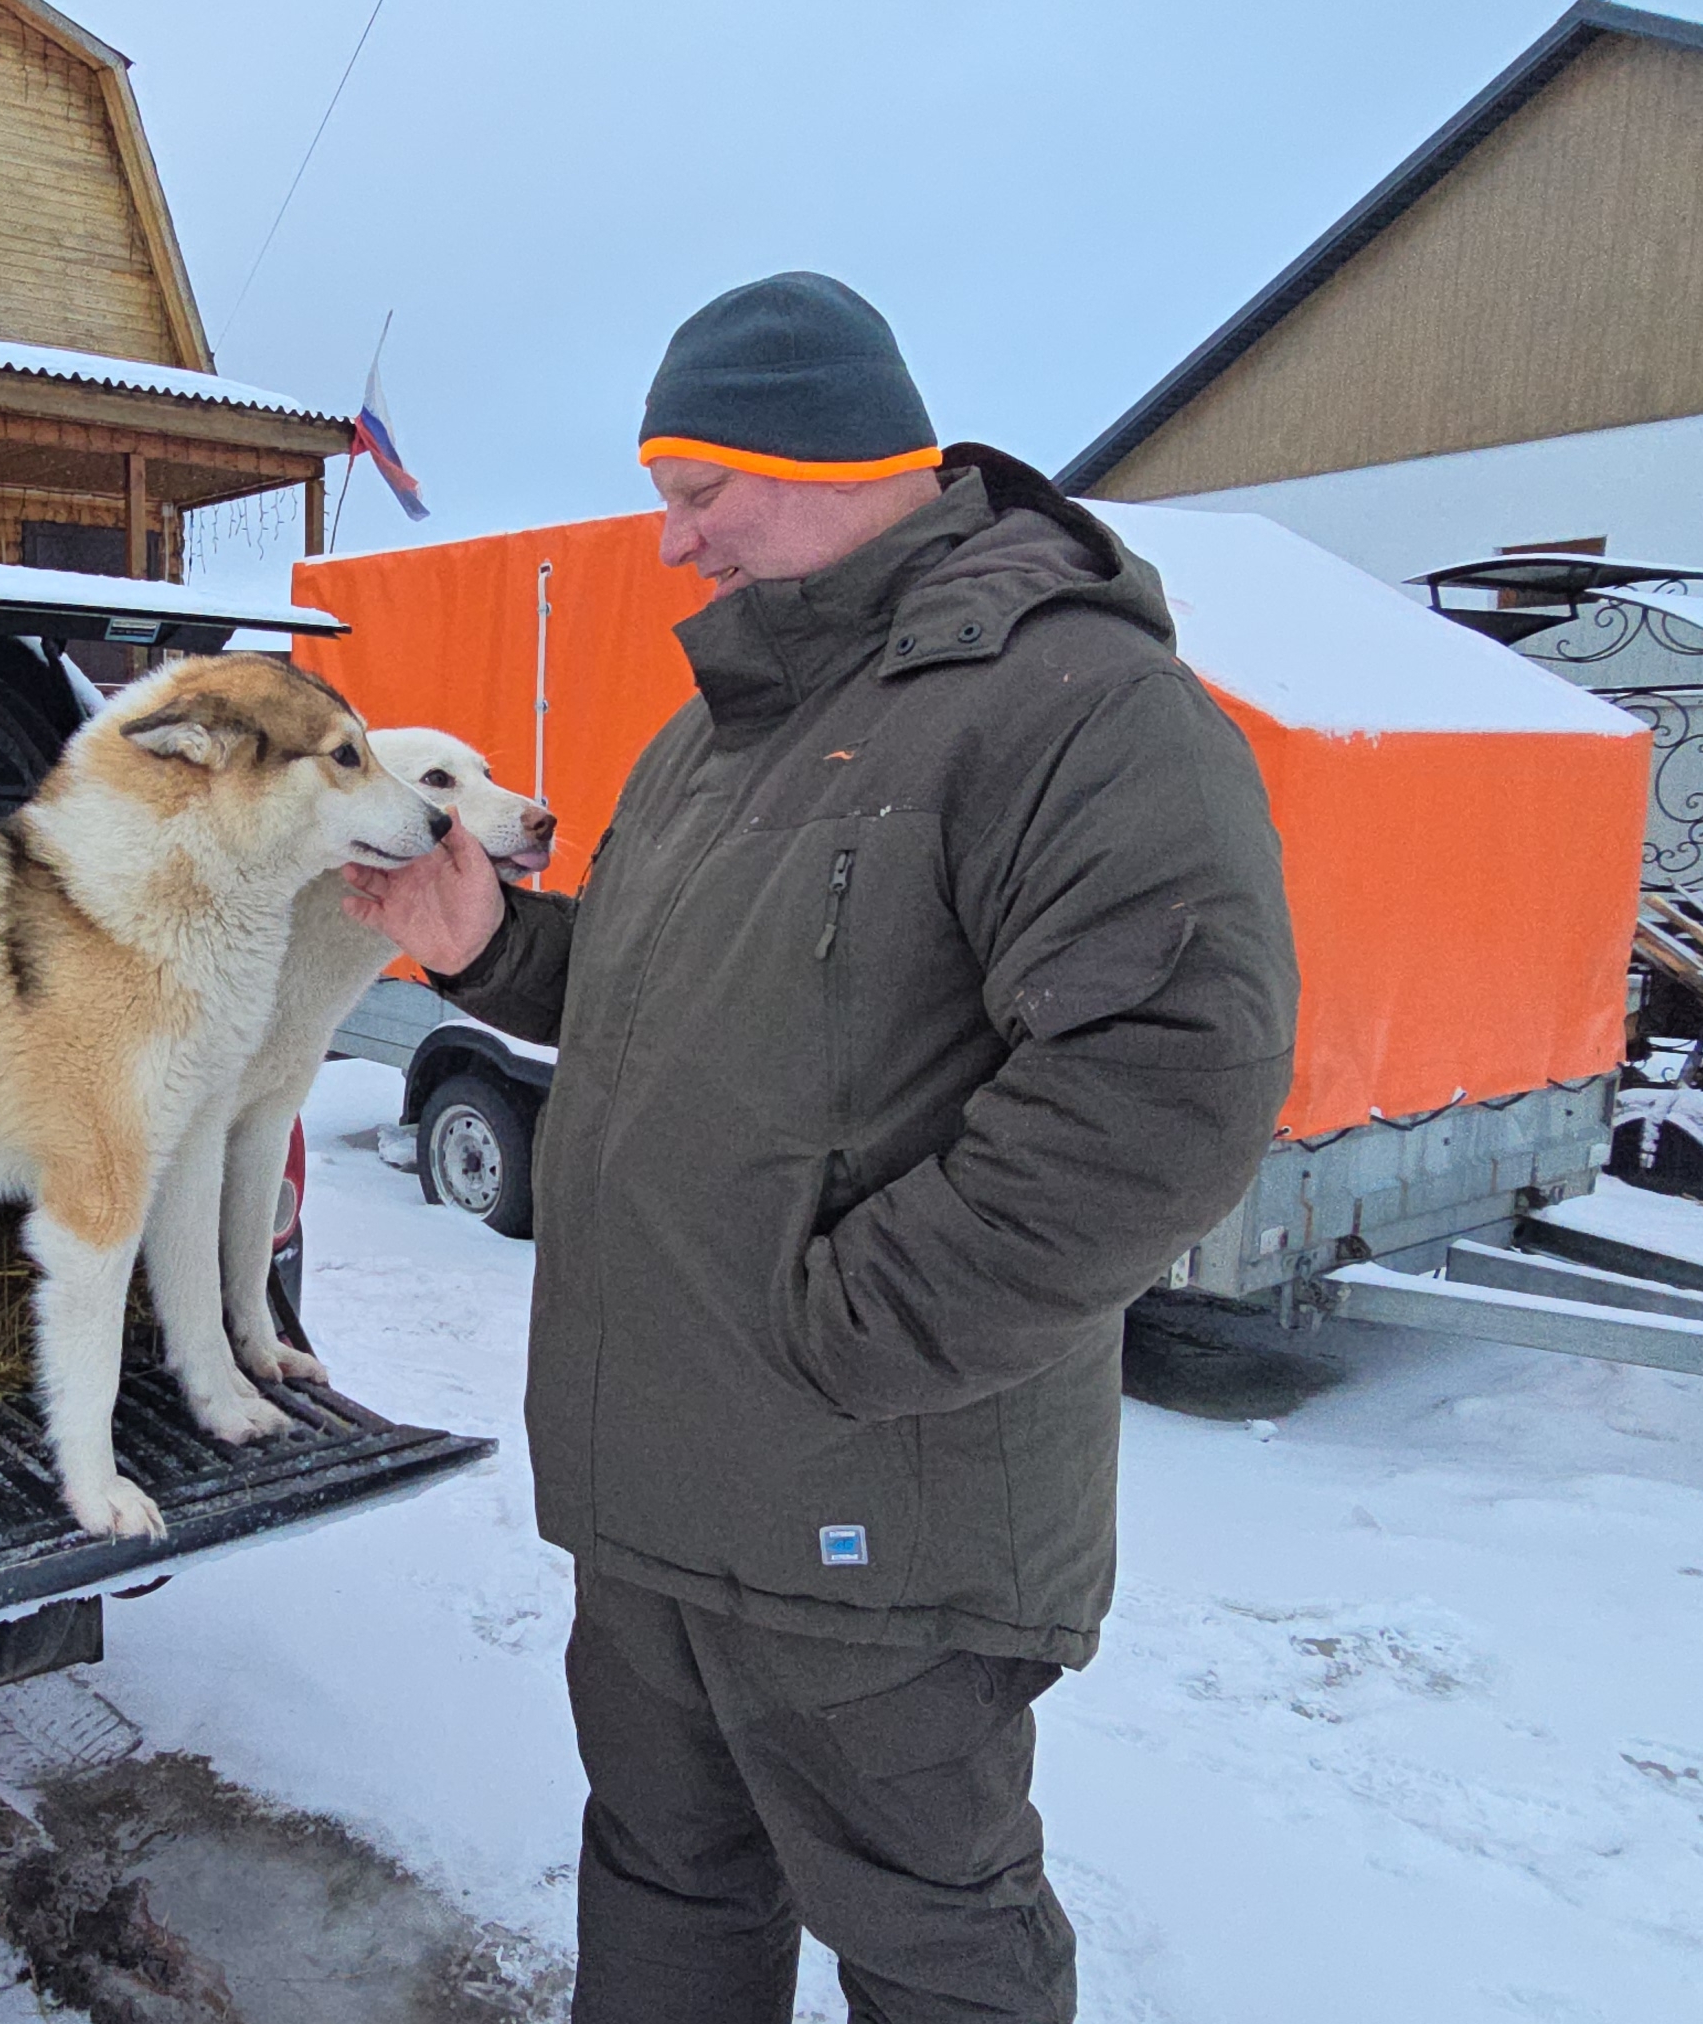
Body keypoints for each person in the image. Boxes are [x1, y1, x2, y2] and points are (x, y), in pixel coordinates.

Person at [342, 273, 1299, 2022]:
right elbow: (653, 1002)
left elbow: (1166, 1085)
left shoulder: (1073, 705)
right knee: (664, 1893)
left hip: (875, 1519)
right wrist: (486, 943)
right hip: (656, 1502)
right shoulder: (715, 740)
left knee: (933, 1947)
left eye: (699, 496)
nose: (674, 548)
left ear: (831, 454)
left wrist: (846, 1331)